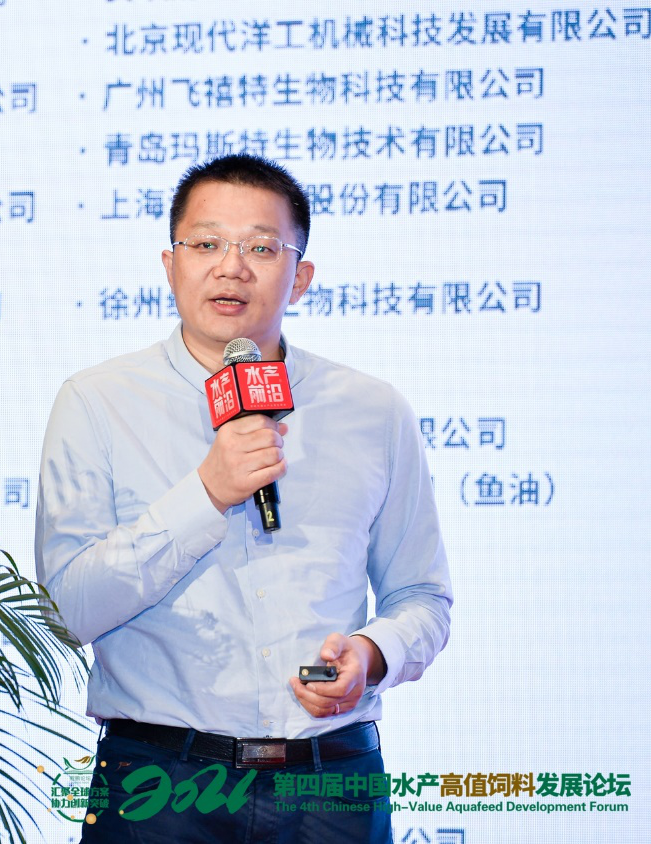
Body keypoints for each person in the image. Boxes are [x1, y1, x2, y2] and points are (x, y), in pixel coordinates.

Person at [35, 154, 453, 843]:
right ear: (170, 265)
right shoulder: (97, 402)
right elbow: (68, 610)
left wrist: (372, 655)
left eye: (261, 248)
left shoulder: (372, 410)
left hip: (329, 778)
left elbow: (423, 597)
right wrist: (207, 493)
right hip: (158, 781)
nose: (231, 268)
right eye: (206, 244)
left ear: (301, 277)